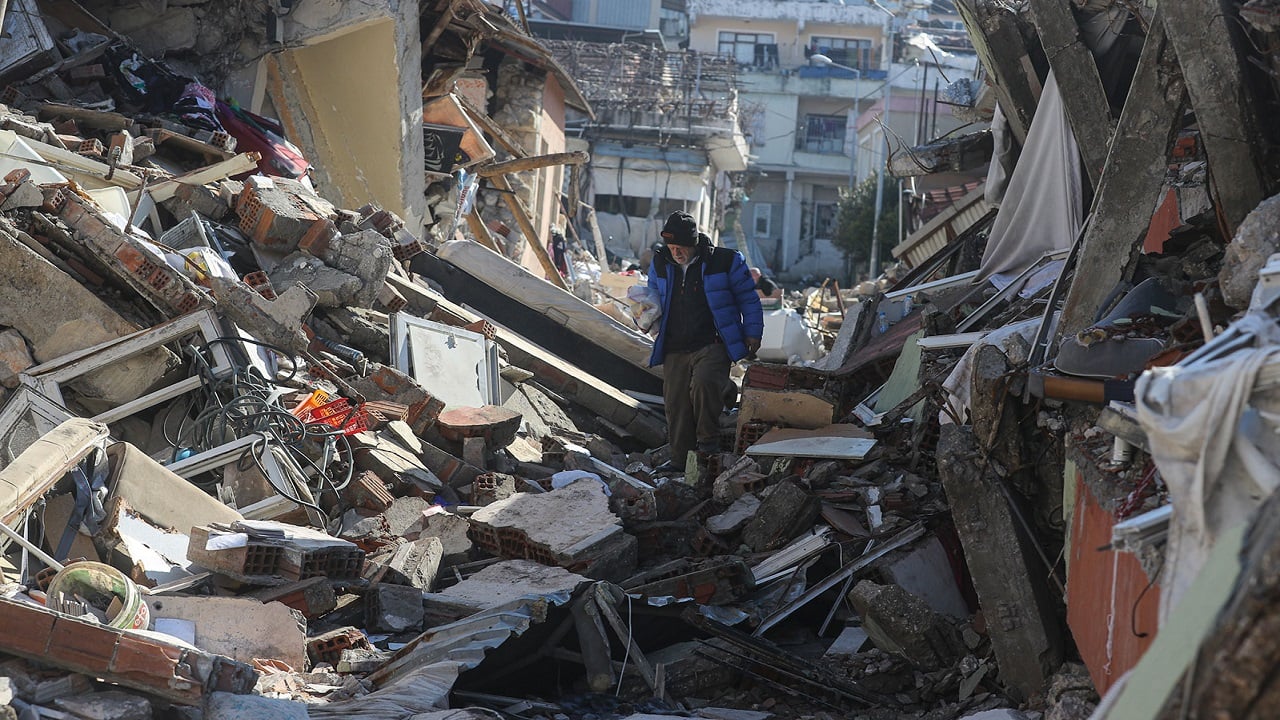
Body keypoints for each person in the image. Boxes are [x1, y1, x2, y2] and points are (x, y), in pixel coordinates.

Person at [648, 211, 763, 472]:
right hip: (675, 345)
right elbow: (651, 296)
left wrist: (753, 332)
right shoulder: (660, 262)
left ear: (693, 243)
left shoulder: (725, 261)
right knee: (675, 402)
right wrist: (644, 314)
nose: (676, 253)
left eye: (681, 248)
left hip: (712, 341)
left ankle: (707, 447)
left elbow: (748, 298)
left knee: (703, 384)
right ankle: (680, 460)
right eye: (672, 247)